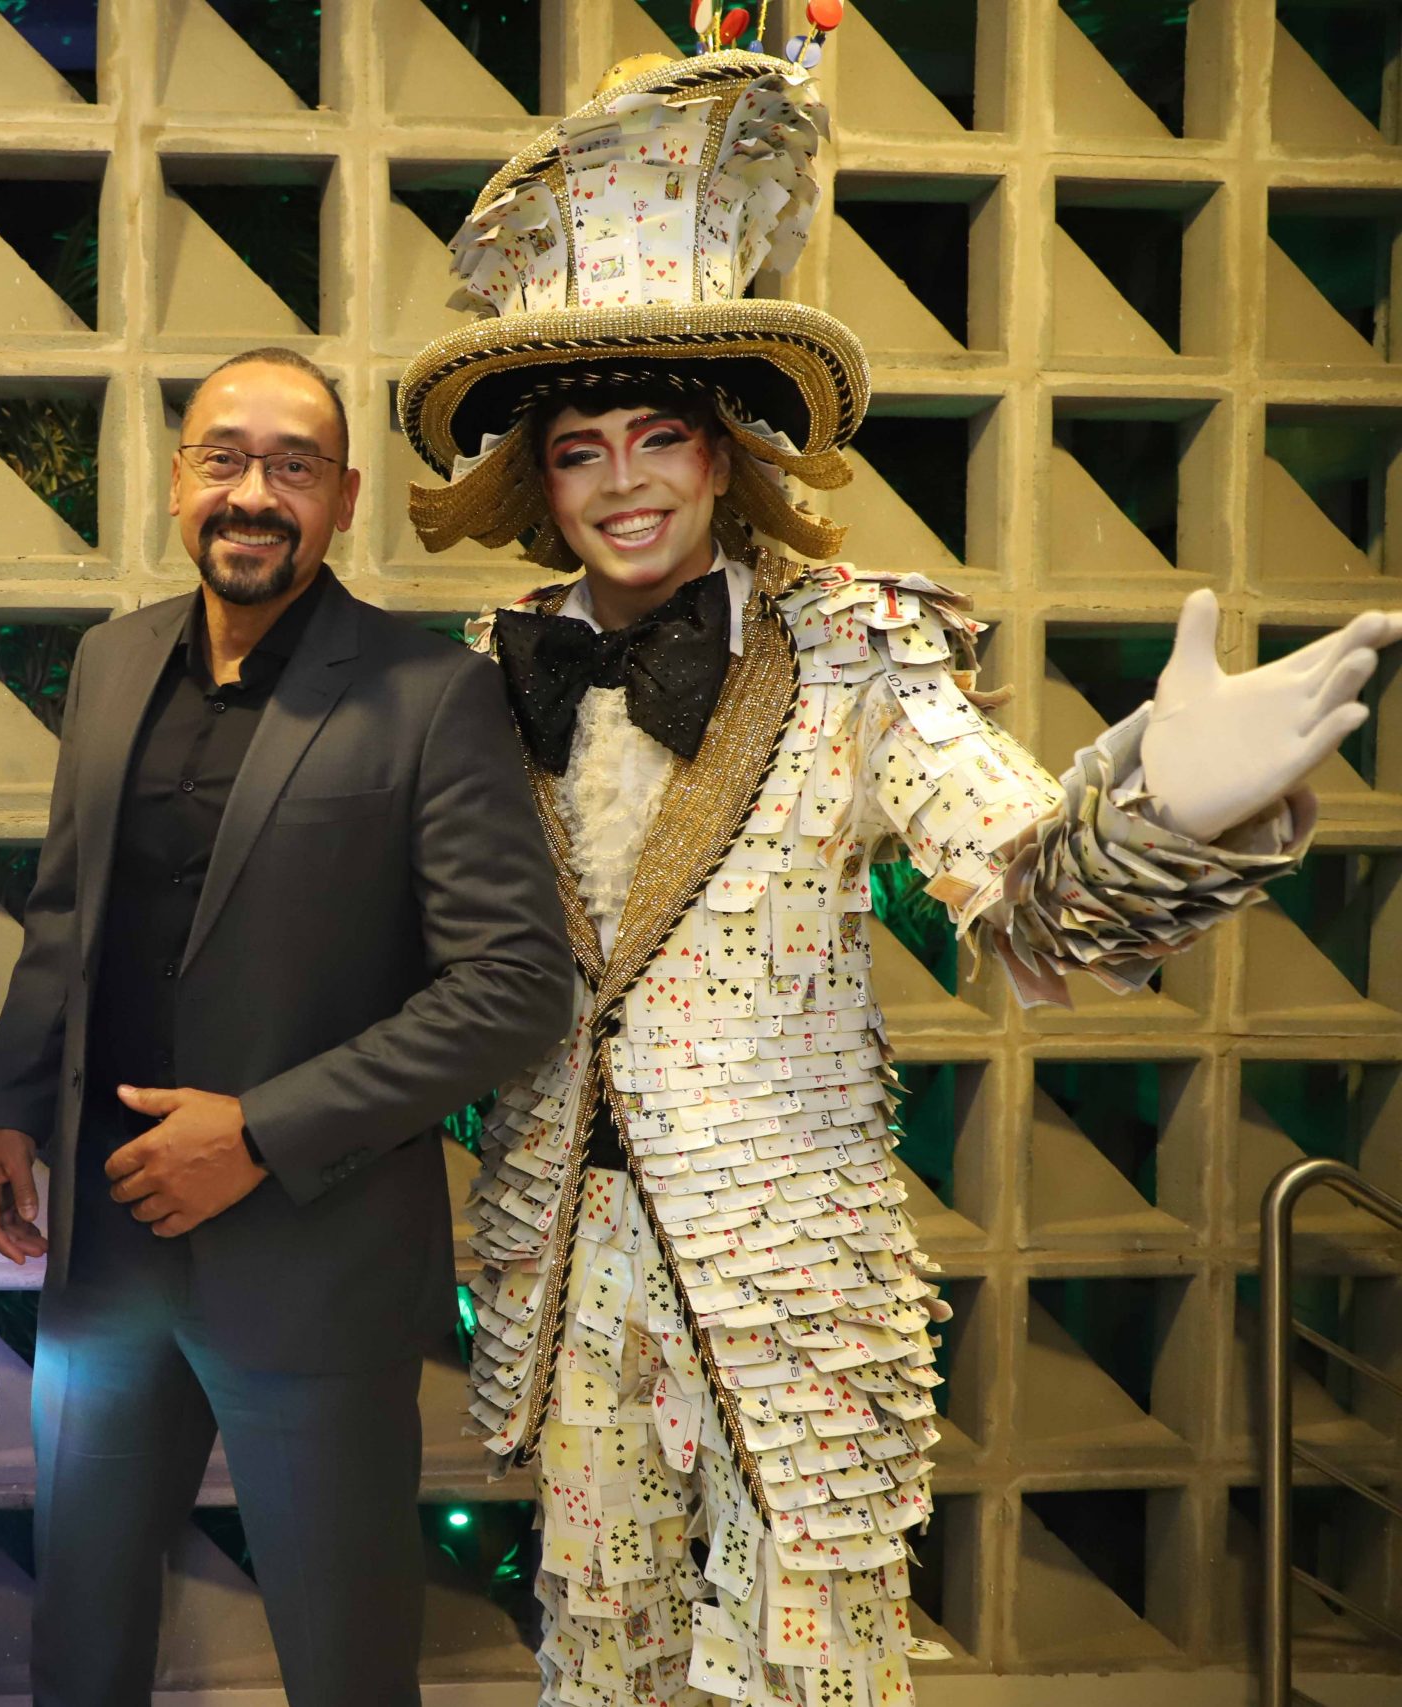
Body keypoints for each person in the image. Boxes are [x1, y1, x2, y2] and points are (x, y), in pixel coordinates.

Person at [396, 44, 1402, 1707]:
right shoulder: (475, 676)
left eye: (661, 437)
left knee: (816, 1669)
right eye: (580, 450)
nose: (624, 482)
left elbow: (1022, 879)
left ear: (726, 453)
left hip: (798, 1275)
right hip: (565, 1262)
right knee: (598, 1649)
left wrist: (1169, 809)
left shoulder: (855, 650)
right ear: (536, 479)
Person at [0, 345, 571, 1707]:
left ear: (343, 499)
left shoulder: (432, 694)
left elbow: (514, 982)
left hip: (315, 1258)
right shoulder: (114, 660)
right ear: (178, 478)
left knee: (344, 1661)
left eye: (294, 466)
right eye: (226, 459)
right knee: (80, 1642)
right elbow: (66, 913)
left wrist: (258, 1133)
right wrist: (9, 1107)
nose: (254, 494)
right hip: (109, 1247)